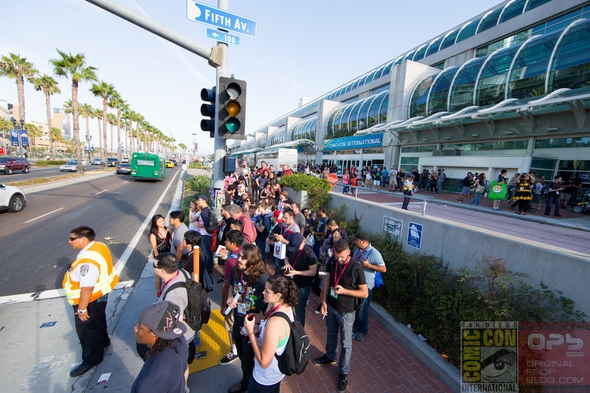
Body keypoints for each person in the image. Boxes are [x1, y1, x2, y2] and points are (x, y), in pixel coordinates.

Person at [63, 226, 119, 377]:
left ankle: (92, 358)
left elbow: (86, 288)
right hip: (101, 296)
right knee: (98, 320)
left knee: (87, 330)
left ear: (83, 239)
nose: (70, 241)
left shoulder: (87, 263)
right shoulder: (99, 245)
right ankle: (103, 342)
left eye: (72, 238)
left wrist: (82, 309)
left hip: (89, 300)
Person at [313, 239, 368, 393]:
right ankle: (330, 356)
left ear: (349, 252)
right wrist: (323, 301)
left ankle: (343, 372)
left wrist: (345, 291)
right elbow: (327, 280)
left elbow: (364, 293)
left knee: (345, 343)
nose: (339, 259)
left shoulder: (356, 267)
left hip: (347, 312)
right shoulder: (333, 260)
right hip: (331, 306)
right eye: (337, 256)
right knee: (331, 334)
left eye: (342, 257)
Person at [147, 252, 198, 383]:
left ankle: (182, 387)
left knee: (180, 367)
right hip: (189, 328)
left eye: (155, 265)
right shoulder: (182, 273)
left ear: (162, 270)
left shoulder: (173, 296)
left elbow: (176, 322)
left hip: (180, 338)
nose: (153, 266)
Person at [226, 244, 269, 393]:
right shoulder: (236, 271)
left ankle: (247, 385)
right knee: (241, 355)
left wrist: (263, 316)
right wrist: (231, 298)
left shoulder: (263, 279)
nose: (239, 259)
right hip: (238, 323)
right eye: (239, 256)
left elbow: (275, 303)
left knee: (248, 360)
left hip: (253, 329)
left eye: (243, 257)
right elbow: (232, 286)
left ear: (252, 259)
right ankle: (247, 381)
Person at [244, 275, 298, 393]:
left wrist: (251, 332)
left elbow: (264, 362)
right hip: (275, 375)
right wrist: (260, 326)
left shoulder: (274, 323)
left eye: (267, 291)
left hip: (264, 378)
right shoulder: (286, 308)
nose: (263, 292)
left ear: (278, 295)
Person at [131, 301, 188, 393]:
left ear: (155, 335)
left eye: (140, 327)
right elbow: (184, 372)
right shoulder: (180, 342)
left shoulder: (150, 386)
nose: (135, 328)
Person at [352, 232, 386, 341]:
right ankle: (356, 325)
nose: (354, 242)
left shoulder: (374, 253)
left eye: (356, 240)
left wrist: (368, 265)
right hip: (355, 283)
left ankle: (362, 330)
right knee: (356, 306)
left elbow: (383, 269)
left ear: (363, 241)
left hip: (366, 286)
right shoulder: (356, 249)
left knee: (363, 309)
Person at [219, 230, 245, 366]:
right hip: (245, 298)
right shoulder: (245, 253)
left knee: (230, 325)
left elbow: (227, 285)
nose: (225, 242)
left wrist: (224, 306)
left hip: (234, 301)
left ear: (233, 243)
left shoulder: (231, 261)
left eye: (227, 241)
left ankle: (234, 350)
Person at [283, 232, 317, 327]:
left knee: (299, 311)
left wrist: (297, 272)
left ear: (302, 243)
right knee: (288, 306)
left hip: (302, 287)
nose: (294, 250)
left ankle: (300, 333)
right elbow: (286, 256)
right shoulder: (292, 247)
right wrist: (287, 263)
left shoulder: (309, 254)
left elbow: (313, 272)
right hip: (290, 283)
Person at [194, 195, 215, 273]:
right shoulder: (206, 210)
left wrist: (197, 225)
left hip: (204, 235)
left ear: (204, 201)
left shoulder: (205, 211)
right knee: (206, 253)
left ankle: (207, 269)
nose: (198, 202)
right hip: (205, 234)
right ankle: (207, 268)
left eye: (199, 200)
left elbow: (207, 225)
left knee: (206, 253)